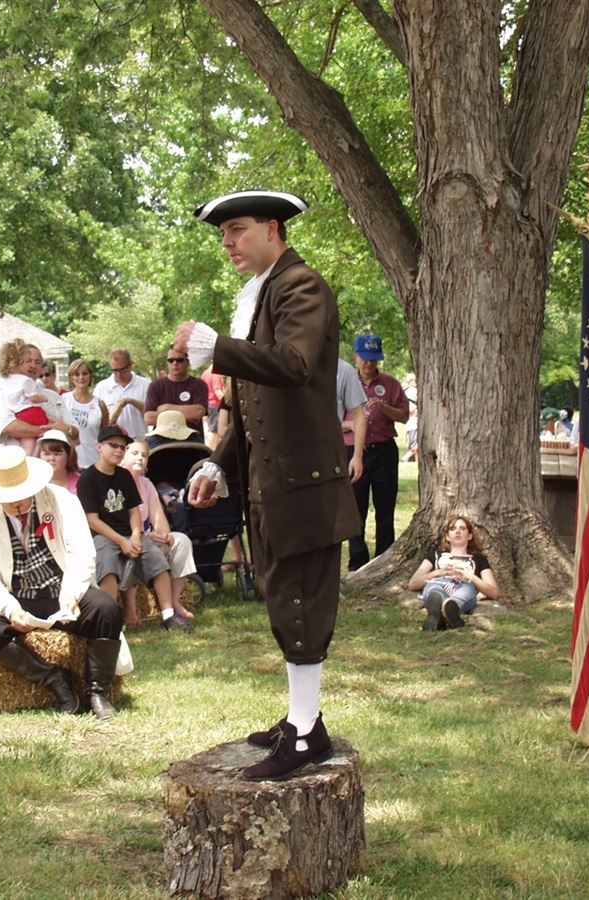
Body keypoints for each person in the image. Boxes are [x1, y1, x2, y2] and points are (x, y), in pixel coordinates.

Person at [177, 189, 359, 781]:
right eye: (223, 233)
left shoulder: (300, 285)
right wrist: (214, 464)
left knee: (301, 604)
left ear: (273, 228)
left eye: (237, 229)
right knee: (286, 602)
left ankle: (305, 738)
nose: (227, 242)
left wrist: (218, 349)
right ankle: (303, 720)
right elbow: (253, 410)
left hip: (302, 485)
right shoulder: (264, 294)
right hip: (275, 483)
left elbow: (295, 365)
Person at [0, 446, 124, 718]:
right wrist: (9, 609)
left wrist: (71, 595)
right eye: (9, 497)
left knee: (107, 610)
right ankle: (54, 679)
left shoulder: (63, 501)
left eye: (22, 494)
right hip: (19, 596)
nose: (17, 502)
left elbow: (81, 552)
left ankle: (96, 691)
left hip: (62, 588)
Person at [76, 425, 186, 632]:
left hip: (130, 533)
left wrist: (135, 535)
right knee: (107, 566)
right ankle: (111, 620)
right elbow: (92, 519)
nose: (118, 450)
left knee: (158, 562)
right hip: (103, 535)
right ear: (99, 447)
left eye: (122, 447)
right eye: (113, 445)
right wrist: (122, 541)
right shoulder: (88, 479)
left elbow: (134, 511)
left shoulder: (124, 476)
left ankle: (168, 615)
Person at [345, 334, 409, 571]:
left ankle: (384, 560)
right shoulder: (345, 382)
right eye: (364, 359)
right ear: (356, 356)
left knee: (385, 509)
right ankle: (357, 563)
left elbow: (403, 416)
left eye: (373, 360)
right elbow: (330, 421)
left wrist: (384, 407)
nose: (369, 365)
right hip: (354, 451)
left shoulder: (390, 384)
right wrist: (352, 425)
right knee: (355, 509)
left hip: (383, 452)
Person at [121, 439, 198, 627]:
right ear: (123, 457)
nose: (140, 458)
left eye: (144, 455)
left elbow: (160, 521)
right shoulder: (116, 482)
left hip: (147, 537)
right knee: (136, 548)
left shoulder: (146, 484)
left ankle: (174, 602)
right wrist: (144, 535)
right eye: (135, 453)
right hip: (125, 539)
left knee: (181, 541)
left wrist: (162, 534)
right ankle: (129, 611)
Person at [407, 513, 499, 631]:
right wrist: (439, 572)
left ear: (470, 536)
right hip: (439, 582)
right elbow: (413, 583)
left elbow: (493, 592)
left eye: (462, 528)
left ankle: (449, 610)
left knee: (465, 591)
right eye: (453, 529)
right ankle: (440, 612)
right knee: (435, 590)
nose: (458, 532)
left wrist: (470, 576)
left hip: (464, 585)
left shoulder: (479, 559)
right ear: (447, 536)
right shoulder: (435, 555)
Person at [0, 339, 53, 456]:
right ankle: (28, 457)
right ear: (18, 363)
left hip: (20, 415)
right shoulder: (0, 396)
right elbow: (9, 427)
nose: (32, 365)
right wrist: (47, 431)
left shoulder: (4, 381)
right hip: (12, 458)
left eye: (37, 362)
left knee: (29, 442)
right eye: (28, 361)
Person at [144, 344, 208, 436]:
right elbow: (149, 418)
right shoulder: (155, 386)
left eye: (179, 360)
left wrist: (165, 408)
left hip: (192, 440)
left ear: (188, 361)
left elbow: (198, 413)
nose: (174, 363)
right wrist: (187, 416)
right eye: (170, 360)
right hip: (162, 442)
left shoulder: (199, 385)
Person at [94, 348, 150, 438]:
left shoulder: (145, 384)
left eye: (123, 370)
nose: (119, 374)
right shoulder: (101, 387)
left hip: (140, 440)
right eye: (115, 371)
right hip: (113, 442)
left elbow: (151, 411)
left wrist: (131, 401)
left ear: (130, 364)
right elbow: (94, 416)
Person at [63, 359, 108, 468]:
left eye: (85, 373)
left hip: (92, 462)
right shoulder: (63, 400)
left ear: (90, 376)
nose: (81, 377)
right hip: (68, 462)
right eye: (76, 374)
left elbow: (104, 436)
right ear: (71, 378)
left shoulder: (99, 404)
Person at [336, 357, 367, 483]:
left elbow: (359, 415)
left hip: (330, 452)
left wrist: (357, 456)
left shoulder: (343, 370)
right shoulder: (286, 365)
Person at [37, 428, 81, 493]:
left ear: (69, 456)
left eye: (57, 454)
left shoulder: (81, 482)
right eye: (46, 454)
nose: (51, 458)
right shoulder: (33, 481)